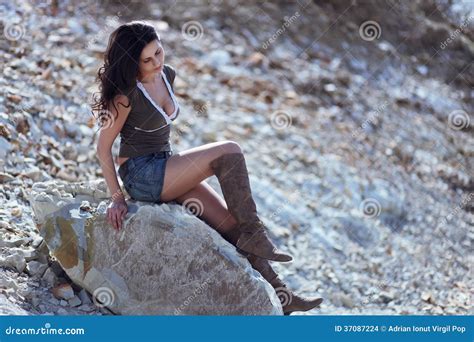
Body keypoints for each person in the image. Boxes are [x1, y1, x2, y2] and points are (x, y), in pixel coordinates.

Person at [92, 20, 322, 315]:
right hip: (142, 175)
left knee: (231, 227)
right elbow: (102, 148)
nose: (156, 63)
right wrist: (116, 198)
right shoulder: (124, 96)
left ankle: (283, 295)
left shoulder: (167, 75)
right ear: (132, 61)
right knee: (229, 151)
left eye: (159, 53)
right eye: (146, 60)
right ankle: (257, 233)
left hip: (165, 166)